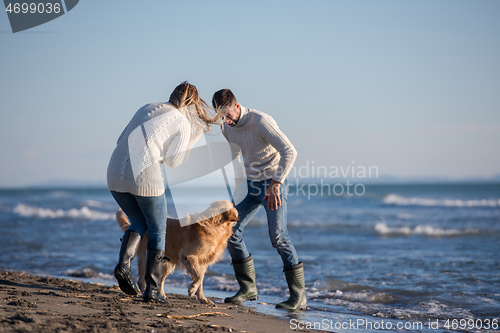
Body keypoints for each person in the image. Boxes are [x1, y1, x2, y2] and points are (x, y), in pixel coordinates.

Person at [107, 82, 219, 302]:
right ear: (192, 105)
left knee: (138, 221)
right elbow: (174, 161)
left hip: (114, 173)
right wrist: (190, 139)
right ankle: (153, 290)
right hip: (144, 177)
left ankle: (123, 265)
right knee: (158, 230)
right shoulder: (182, 122)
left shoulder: (147, 107)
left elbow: (120, 140)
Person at [212, 89, 307, 310]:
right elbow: (236, 155)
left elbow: (290, 151)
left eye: (228, 115)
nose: (226, 121)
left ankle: (299, 297)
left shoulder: (261, 121)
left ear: (237, 106)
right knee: (230, 231)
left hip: (272, 185)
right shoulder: (225, 127)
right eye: (221, 117)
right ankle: (248, 288)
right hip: (249, 185)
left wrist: (276, 184)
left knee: (278, 238)